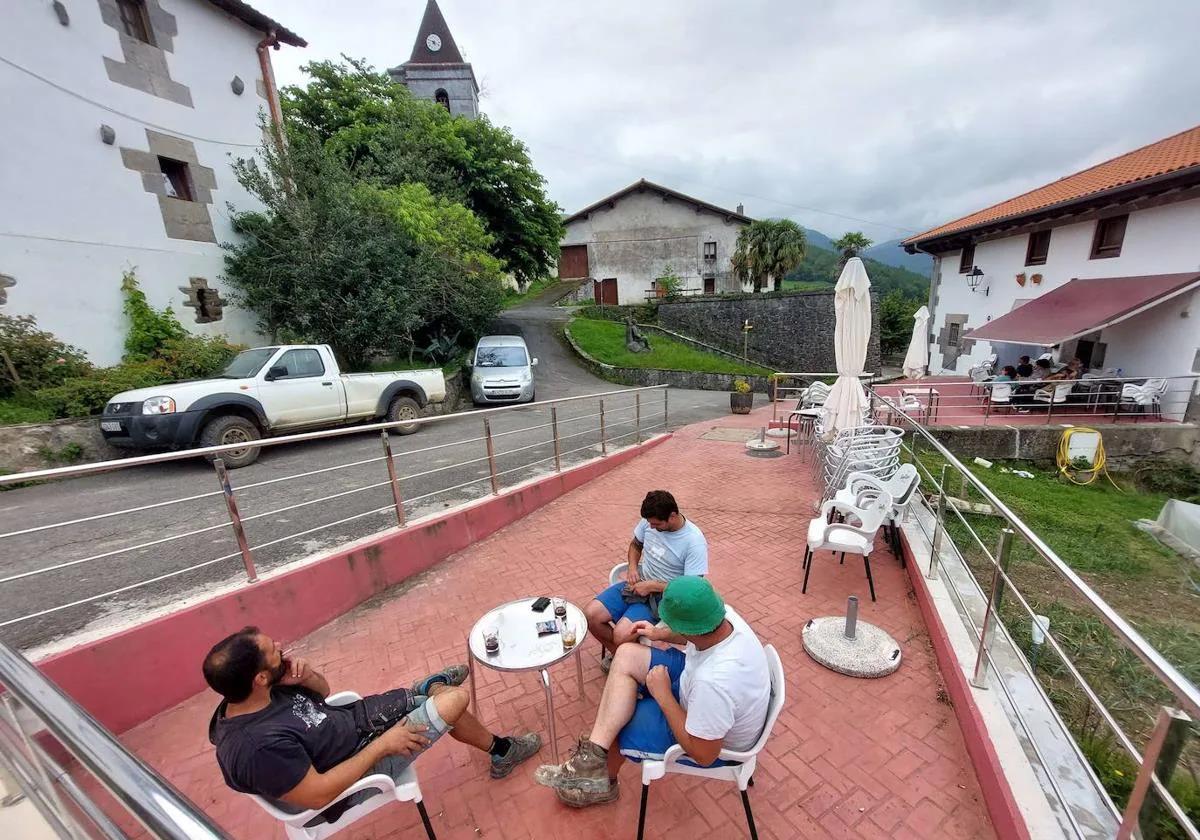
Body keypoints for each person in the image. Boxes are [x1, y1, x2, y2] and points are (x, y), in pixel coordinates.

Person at [204, 628, 541, 823]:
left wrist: (306, 677)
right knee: (455, 701)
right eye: (272, 652)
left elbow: (323, 694)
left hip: (359, 724)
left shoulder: (258, 692)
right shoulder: (258, 748)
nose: (281, 648)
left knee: (443, 704)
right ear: (260, 677)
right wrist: (385, 744)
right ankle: (431, 692)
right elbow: (319, 795)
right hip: (358, 775)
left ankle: (489, 742)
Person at [535, 577, 769, 808]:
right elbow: (697, 634)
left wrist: (663, 695)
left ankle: (603, 786)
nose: (667, 625)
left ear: (688, 628)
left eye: (671, 624)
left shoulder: (715, 682)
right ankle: (592, 759)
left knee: (618, 722)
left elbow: (704, 755)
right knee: (626, 654)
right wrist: (662, 635)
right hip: (698, 688)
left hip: (709, 743)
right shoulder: (724, 616)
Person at [585, 490, 708, 672]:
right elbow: (635, 544)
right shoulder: (649, 522)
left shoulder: (694, 542)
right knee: (590, 614)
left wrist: (652, 586)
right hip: (637, 584)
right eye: (649, 523)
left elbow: (691, 590)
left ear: (672, 516)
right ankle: (623, 659)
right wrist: (633, 567)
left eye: (656, 524)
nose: (650, 527)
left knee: (620, 634)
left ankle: (628, 663)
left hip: (662, 597)